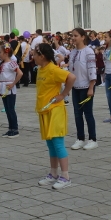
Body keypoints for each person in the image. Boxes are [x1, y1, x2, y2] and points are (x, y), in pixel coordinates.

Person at [34, 44, 77, 190]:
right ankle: (53, 173)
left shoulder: (53, 69)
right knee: (50, 144)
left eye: (34, 54)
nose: (32, 57)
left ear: (42, 56)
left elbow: (71, 77)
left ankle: (66, 177)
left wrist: (63, 94)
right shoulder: (41, 69)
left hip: (55, 111)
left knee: (58, 143)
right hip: (44, 110)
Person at [68, 28, 98, 150]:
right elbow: (70, 71)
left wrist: (91, 87)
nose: (74, 38)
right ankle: (80, 138)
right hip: (76, 87)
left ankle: (93, 139)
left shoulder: (88, 51)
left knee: (88, 113)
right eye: (72, 36)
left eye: (76, 36)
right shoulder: (73, 52)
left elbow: (92, 69)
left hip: (86, 86)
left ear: (83, 37)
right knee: (77, 114)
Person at [0, 43, 22, 138]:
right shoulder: (2, 63)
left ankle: (15, 129)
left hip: (9, 88)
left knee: (11, 109)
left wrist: (13, 83)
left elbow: (20, 73)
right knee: (7, 109)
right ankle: (10, 128)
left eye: (0, 52)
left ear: (6, 53)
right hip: (3, 87)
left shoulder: (11, 63)